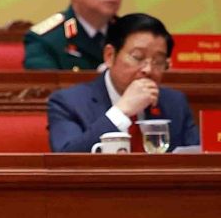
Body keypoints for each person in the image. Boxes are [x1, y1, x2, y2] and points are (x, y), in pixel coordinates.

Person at [48, 13, 199, 153]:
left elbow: (198, 159)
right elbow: (65, 159)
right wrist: (121, 112)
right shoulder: (68, 103)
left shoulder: (174, 103)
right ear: (109, 56)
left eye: (158, 61)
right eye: (138, 57)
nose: (148, 69)